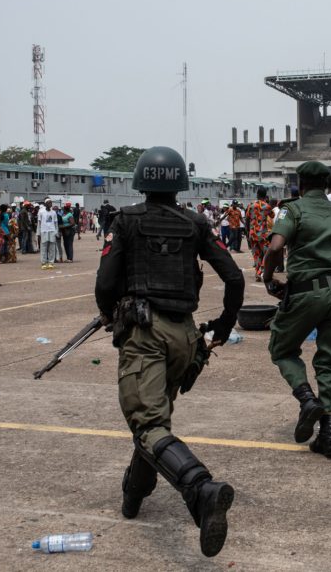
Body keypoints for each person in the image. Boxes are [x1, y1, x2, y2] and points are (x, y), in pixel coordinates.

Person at [95, 146, 244, 558]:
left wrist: (110, 317)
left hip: (144, 333)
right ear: (180, 183)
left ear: (140, 181)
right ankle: (133, 494)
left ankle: (199, 489)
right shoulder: (196, 223)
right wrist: (225, 326)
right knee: (155, 418)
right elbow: (233, 277)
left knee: (147, 424)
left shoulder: (124, 221)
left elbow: (106, 282)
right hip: (186, 337)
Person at [263, 161, 331, 459]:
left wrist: (269, 277)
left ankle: (306, 398)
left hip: (304, 293)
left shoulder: (291, 210)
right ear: (326, 184)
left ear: (301, 183)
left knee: (282, 350)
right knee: (330, 363)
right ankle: (329, 436)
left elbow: (274, 247)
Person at [245, 187, 276, 282]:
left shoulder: (251, 205)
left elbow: (247, 219)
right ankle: (260, 271)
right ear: (265, 195)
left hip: (252, 233)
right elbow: (272, 215)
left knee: (257, 255)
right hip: (262, 234)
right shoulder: (267, 206)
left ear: (257, 194)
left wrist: (247, 233)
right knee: (267, 253)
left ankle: (257, 272)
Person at [38, 198, 58, 269]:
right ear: (45, 204)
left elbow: (56, 223)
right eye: (49, 203)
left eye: (51, 202)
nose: (51, 204)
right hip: (44, 232)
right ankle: (43, 263)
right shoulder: (41, 212)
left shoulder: (54, 213)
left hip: (52, 232)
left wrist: (56, 232)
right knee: (44, 248)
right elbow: (39, 224)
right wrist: (38, 233)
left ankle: (51, 262)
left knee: (52, 248)